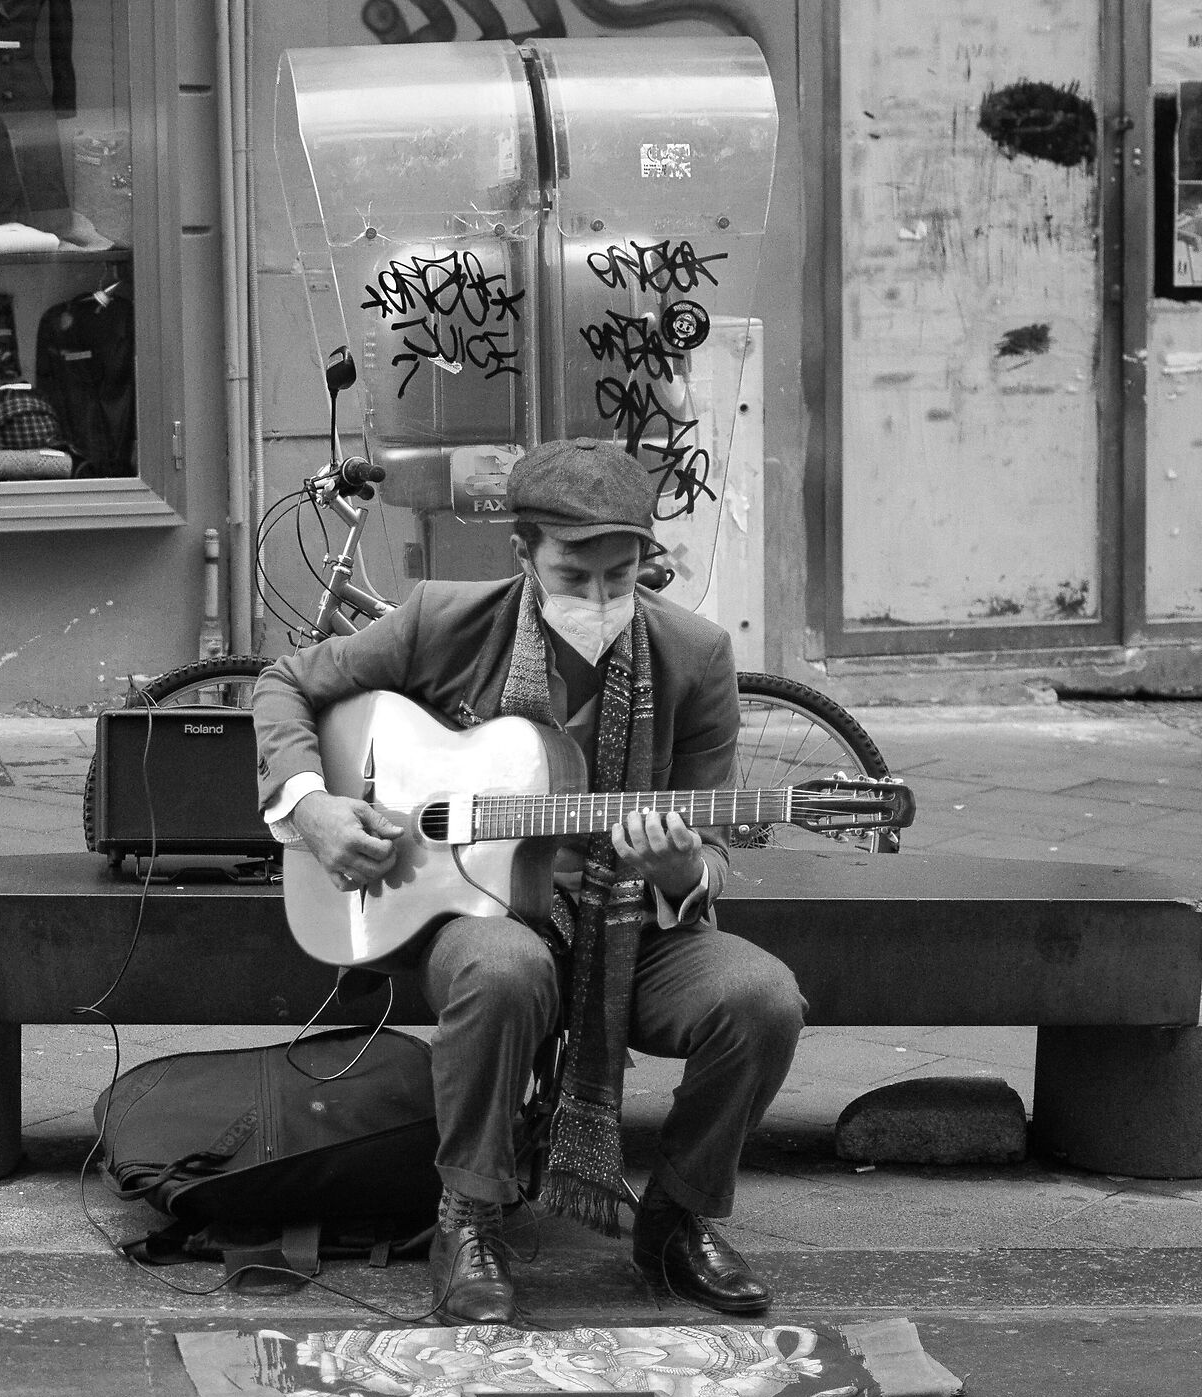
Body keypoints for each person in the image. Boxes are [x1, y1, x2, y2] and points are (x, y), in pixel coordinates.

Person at [251, 437, 806, 1323]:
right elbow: (285, 683)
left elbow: (709, 842)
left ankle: (678, 1216)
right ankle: (468, 1213)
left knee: (761, 997)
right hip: (476, 911)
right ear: (523, 556)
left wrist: (683, 867)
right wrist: (313, 807)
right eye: (574, 576)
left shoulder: (695, 657)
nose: (599, 601)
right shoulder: (443, 618)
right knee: (503, 966)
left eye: (620, 580)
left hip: (633, 927)